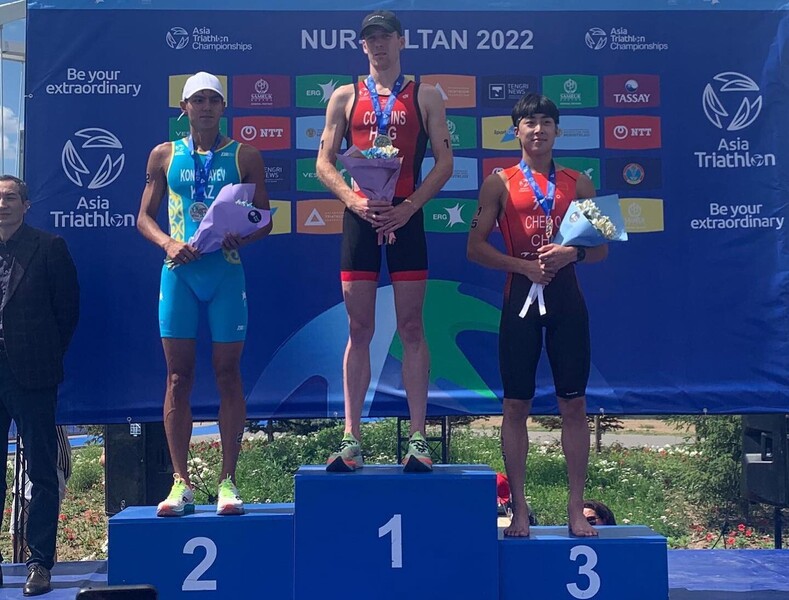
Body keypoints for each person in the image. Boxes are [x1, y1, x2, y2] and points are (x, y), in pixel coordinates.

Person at [316, 11, 453, 472]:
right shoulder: (344, 96)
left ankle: (418, 438)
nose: (377, 46)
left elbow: (444, 163)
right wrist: (354, 202)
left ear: (401, 41)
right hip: (361, 219)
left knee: (412, 327)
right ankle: (351, 438)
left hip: (405, 217)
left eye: (385, 37)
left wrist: (408, 207)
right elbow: (324, 163)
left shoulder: (426, 95)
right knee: (359, 330)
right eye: (369, 39)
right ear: (362, 46)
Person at [467, 93, 607, 537]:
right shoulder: (499, 182)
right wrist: (522, 266)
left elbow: (602, 246)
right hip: (519, 300)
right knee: (515, 404)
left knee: (574, 404)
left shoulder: (578, 182)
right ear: (517, 131)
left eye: (547, 122)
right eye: (530, 122)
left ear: (557, 131)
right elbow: (475, 247)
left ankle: (573, 508)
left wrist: (571, 254)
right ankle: (521, 510)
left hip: (567, 301)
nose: (539, 130)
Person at [137, 72, 272, 517]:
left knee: (228, 374)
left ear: (223, 107)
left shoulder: (244, 155)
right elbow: (143, 217)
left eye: (214, 100)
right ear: (184, 108)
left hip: (225, 275)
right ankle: (181, 483)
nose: (206, 108)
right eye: (198, 101)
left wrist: (242, 236)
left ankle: (227, 482)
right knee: (178, 376)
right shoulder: (164, 154)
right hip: (178, 273)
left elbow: (263, 218)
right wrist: (167, 243)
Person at [0, 174, 80, 595]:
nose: (2, 204)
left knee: (42, 473)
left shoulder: (49, 248)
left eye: (10, 197)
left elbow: (67, 312)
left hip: (32, 374)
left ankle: (40, 565)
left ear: (26, 205)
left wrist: (43, 355)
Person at [10, 425, 72, 559]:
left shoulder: (54, 421)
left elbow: (65, 456)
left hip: (49, 479)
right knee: (17, 534)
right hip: (23, 480)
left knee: (45, 538)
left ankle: (46, 571)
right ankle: (18, 572)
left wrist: (60, 477)